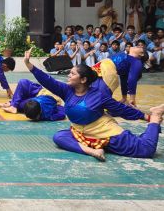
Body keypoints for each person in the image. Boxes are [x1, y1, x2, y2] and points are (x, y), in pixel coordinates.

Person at [23, 48, 164, 161]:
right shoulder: (67, 91)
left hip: (104, 131)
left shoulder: (99, 95)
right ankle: (92, 151)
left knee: (146, 149)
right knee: (59, 137)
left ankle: (156, 117)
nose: (68, 76)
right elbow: (47, 80)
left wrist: (148, 118)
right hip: (80, 132)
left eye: (72, 74)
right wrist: (29, 64)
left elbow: (121, 109)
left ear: (83, 80)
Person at [0, 79, 65, 121]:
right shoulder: (49, 114)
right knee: (23, 82)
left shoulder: (48, 115)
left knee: (20, 104)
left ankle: (11, 105)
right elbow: (62, 113)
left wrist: (52, 117)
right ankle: (13, 105)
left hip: (42, 97)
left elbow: (62, 112)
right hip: (41, 92)